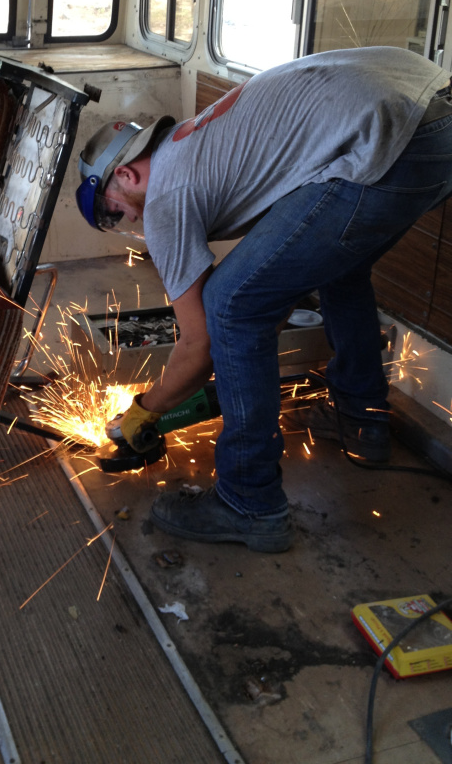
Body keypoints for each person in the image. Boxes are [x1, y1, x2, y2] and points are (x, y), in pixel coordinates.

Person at [75, 46, 452, 552]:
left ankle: (250, 501)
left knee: (230, 306)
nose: (130, 224)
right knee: (340, 270)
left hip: (390, 132)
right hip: (433, 113)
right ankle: (365, 425)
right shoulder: (197, 142)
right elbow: (284, 267)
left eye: (116, 213)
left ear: (125, 175)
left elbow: (200, 343)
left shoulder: (166, 194)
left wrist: (145, 409)